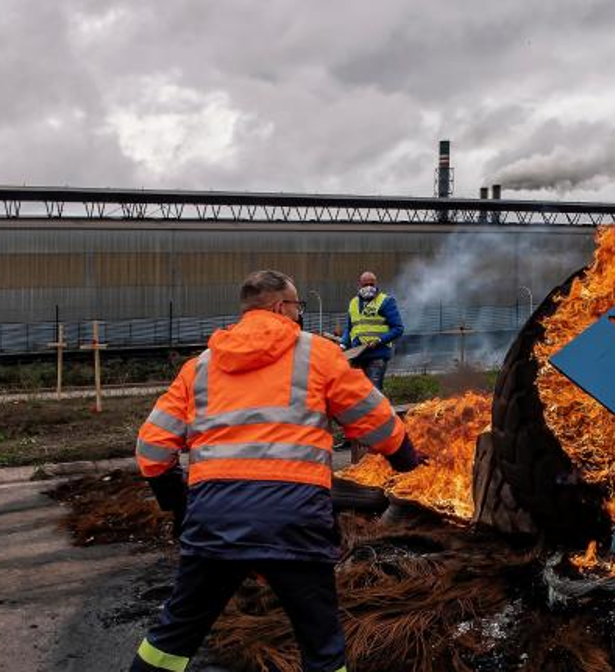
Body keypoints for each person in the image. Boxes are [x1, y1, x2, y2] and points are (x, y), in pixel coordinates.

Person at [130, 270, 422, 672]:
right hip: (294, 520)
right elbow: (373, 417)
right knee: (321, 645)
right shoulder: (316, 353)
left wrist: (178, 503)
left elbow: (151, 448)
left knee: (172, 638)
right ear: (281, 306)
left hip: (215, 521)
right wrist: (406, 459)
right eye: (298, 306)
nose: (299, 314)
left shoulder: (199, 367)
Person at [341, 271, 404, 392]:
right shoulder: (353, 303)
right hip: (357, 354)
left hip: (377, 355)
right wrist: (342, 344)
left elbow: (398, 328)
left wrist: (379, 341)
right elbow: (349, 328)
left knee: (373, 392)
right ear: (359, 285)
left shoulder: (386, 302)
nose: (368, 287)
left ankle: (379, 411)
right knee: (357, 392)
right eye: (365, 285)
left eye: (371, 284)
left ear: (376, 284)